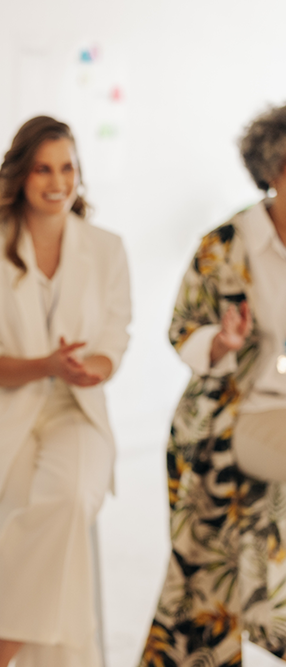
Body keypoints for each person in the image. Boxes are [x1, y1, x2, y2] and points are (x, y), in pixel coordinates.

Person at [0, 116, 132, 667]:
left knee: (68, 499)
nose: (58, 181)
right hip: (2, 414)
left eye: (68, 167)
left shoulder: (107, 248)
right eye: (44, 168)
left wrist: (87, 368)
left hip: (77, 409)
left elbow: (114, 340)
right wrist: (46, 363)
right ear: (20, 175)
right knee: (43, 518)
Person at [139, 105, 286, 667]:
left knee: (204, 591)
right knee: (204, 580)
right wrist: (222, 343)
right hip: (228, 417)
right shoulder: (226, 243)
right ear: (273, 171)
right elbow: (182, 331)